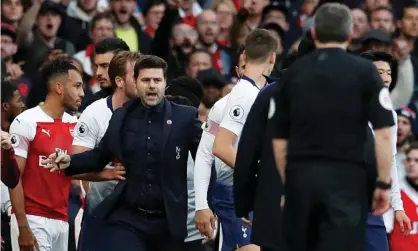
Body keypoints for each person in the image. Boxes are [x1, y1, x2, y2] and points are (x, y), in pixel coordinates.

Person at [42, 55, 203, 251]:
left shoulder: (184, 117)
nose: (152, 86)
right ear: (135, 82)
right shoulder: (122, 116)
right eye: (145, 80)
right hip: (129, 219)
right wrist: (70, 162)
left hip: (169, 221)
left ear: (164, 83)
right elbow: (100, 156)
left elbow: (205, 160)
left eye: (157, 80)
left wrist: (206, 205)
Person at [269, 3, 395, 251]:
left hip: (302, 182)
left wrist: (287, 185)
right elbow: (383, 133)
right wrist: (382, 183)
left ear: (314, 34)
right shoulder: (366, 73)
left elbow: (279, 140)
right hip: (347, 185)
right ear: (350, 35)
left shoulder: (292, 76)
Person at [233, 31, 316, 251]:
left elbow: (247, 154)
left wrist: (245, 204)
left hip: (274, 210)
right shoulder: (345, 97)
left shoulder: (271, 93)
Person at [210, 28, 278, 251]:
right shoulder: (245, 93)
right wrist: (258, 177)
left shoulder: (260, 91)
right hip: (234, 190)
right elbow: (221, 147)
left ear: (245, 56)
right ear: (272, 57)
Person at [8, 58, 83, 251]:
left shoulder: (74, 124)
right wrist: (23, 225)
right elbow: (14, 177)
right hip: (33, 219)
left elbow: (79, 175)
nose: (81, 93)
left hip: (62, 218)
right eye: (76, 86)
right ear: (59, 88)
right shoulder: (26, 122)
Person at [73, 50, 141, 251]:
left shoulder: (151, 111)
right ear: (120, 82)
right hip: (100, 210)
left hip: (139, 215)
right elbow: (75, 165)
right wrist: (107, 173)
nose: (143, 82)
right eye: (136, 76)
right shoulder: (95, 113)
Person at [360, 50, 412, 251]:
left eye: (389, 73)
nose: (386, 78)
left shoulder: (388, 113)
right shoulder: (345, 106)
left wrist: (398, 207)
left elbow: (389, 161)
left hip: (372, 204)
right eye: (379, 72)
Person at [194, 47, 245, 242]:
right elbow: (206, 154)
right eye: (246, 66)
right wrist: (202, 205)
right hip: (230, 195)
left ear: (271, 62)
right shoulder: (222, 107)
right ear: (238, 70)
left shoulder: (275, 101)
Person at [79, 38, 130, 111]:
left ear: (123, 64)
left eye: (105, 66)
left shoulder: (144, 99)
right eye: (96, 66)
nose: (98, 73)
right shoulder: (91, 105)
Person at [1, 80, 25, 189]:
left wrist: (8, 150)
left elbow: (13, 181)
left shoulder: (13, 131)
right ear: (5, 106)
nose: (23, 105)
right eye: (19, 101)